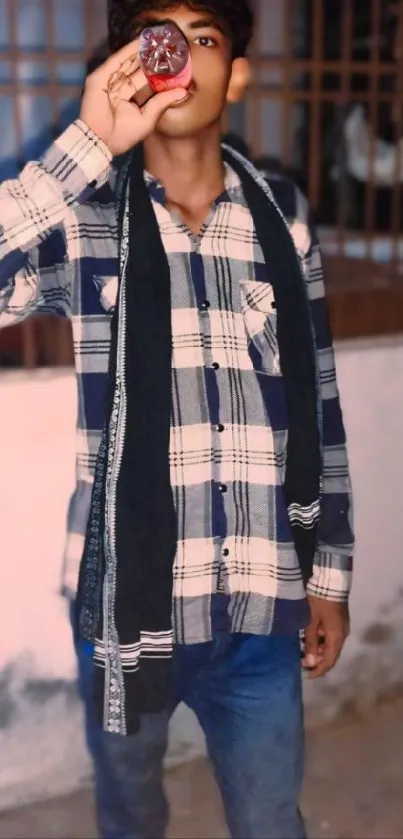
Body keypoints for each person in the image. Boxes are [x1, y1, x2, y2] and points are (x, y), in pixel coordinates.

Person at [0, 2, 354, 837]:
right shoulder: (87, 218)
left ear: (235, 72)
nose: (181, 57)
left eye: (205, 38)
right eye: (157, 37)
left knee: (272, 819)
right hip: (129, 606)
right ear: (130, 64)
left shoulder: (282, 217)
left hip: (261, 604)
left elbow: (319, 406)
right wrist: (88, 143)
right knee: (131, 811)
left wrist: (328, 575)